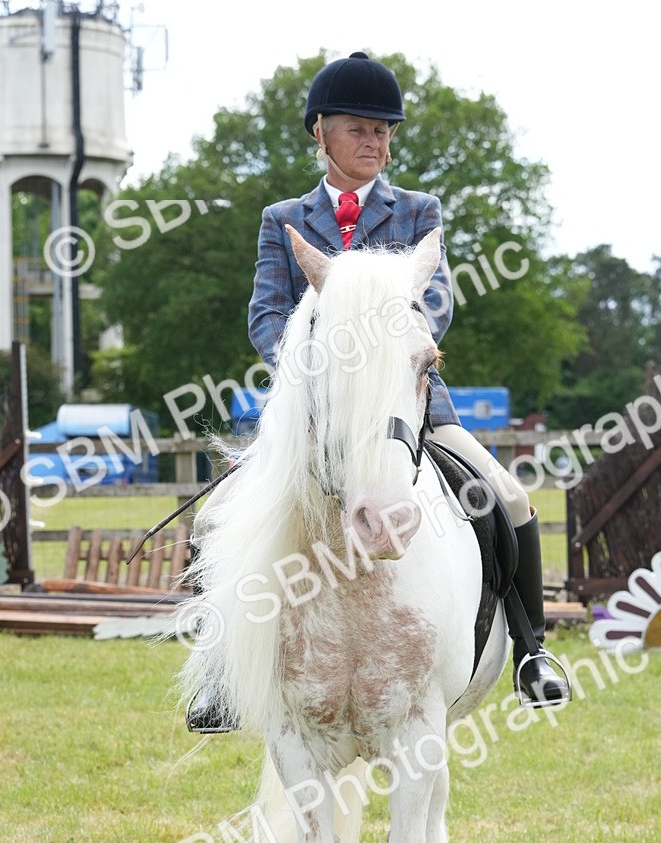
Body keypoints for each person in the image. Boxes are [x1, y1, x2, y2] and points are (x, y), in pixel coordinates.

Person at [187, 52, 570, 733]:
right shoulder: (283, 218)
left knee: (509, 499)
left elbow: (438, 305)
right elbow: (266, 315)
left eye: (384, 132)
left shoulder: (419, 211)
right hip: (316, 415)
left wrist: (380, 356)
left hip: (407, 406)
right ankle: (219, 674)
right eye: (360, 129)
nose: (375, 143)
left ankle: (532, 652)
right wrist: (318, 366)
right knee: (214, 520)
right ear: (321, 133)